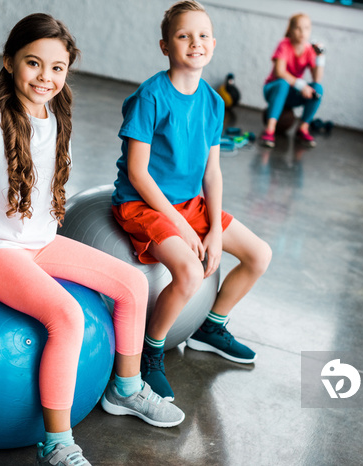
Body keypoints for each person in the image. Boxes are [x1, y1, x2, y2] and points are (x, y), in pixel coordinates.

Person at [0, 13, 184, 466]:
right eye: (34, 63)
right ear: (10, 60)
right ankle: (56, 442)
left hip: (39, 242)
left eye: (57, 68)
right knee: (68, 317)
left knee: (132, 284)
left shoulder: (56, 116)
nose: (45, 77)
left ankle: (125, 387)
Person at [111, 0, 272, 402]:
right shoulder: (150, 96)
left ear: (213, 44)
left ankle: (209, 326)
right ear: (165, 46)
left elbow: (212, 172)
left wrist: (215, 228)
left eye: (202, 36)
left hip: (191, 203)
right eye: (183, 36)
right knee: (189, 272)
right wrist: (181, 226)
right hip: (144, 204)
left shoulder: (214, 102)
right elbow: (138, 173)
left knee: (259, 255)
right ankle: (151, 354)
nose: (194, 43)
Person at [261, 13, 325, 148]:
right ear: (290, 30)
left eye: (306, 28)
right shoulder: (284, 45)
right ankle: (270, 130)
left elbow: (317, 79)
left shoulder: (309, 50)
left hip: (291, 93)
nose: (302, 32)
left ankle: (303, 128)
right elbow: (280, 72)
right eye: (298, 28)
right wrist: (301, 85)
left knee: (317, 89)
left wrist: (320, 57)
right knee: (283, 84)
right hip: (273, 89)